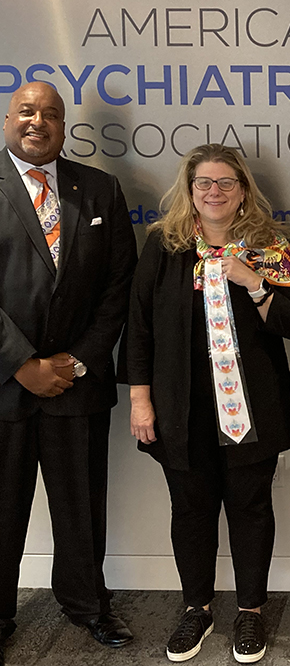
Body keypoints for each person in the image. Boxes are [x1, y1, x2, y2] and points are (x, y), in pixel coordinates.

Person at [124, 144, 290, 664]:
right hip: (182, 410)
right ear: (189, 190)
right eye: (203, 183)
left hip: (252, 409)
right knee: (191, 509)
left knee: (251, 508)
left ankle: (251, 611)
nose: (214, 192)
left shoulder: (269, 245)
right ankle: (196, 609)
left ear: (243, 189)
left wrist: (254, 283)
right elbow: (138, 327)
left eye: (226, 182)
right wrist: (141, 402)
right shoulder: (165, 245)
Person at [0, 82, 137, 659]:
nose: (39, 122)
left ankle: (86, 604)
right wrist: (22, 364)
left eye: (51, 114)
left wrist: (78, 359)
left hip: (78, 383)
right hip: (5, 385)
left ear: (63, 126)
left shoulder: (99, 188)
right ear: (9, 118)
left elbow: (118, 284)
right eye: (27, 112)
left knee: (81, 507)